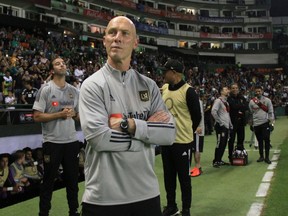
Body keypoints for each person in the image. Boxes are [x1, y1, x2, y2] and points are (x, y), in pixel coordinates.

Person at [79, 16, 176, 216]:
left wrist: (130, 125)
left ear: (135, 42)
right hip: (103, 199)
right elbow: (100, 138)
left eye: (125, 33)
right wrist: (147, 137)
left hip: (147, 196)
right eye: (112, 32)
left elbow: (168, 134)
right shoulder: (92, 85)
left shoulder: (148, 85)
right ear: (104, 40)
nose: (117, 38)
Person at [33, 56, 80, 216]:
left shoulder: (74, 91)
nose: (62, 65)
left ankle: (74, 211)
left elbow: (80, 117)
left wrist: (74, 115)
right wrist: (59, 115)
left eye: (64, 63)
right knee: (48, 181)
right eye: (58, 63)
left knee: (73, 180)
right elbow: (37, 116)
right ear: (52, 70)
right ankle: (44, 213)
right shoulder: (45, 89)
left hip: (71, 142)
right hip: (52, 142)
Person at [161, 59, 201, 216]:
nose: (163, 74)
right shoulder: (164, 88)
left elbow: (196, 116)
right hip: (166, 140)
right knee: (168, 176)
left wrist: (186, 130)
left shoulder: (188, 91)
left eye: (165, 71)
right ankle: (171, 205)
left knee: (184, 178)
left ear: (174, 73)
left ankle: (186, 209)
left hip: (182, 141)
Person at [249, 86, 274, 164]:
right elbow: (251, 113)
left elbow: (270, 112)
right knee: (259, 141)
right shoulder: (252, 102)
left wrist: (271, 123)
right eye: (256, 91)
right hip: (256, 124)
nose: (258, 93)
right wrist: (251, 124)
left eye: (259, 91)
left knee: (266, 140)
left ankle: (267, 157)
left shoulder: (267, 100)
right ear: (255, 92)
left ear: (262, 91)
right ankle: (261, 156)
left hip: (265, 123)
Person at [211, 86, 233, 168]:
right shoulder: (218, 101)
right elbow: (213, 111)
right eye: (226, 89)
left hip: (226, 126)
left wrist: (230, 124)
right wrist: (220, 122)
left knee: (223, 144)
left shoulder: (226, 103)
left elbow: (227, 114)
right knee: (220, 143)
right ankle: (215, 161)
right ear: (221, 92)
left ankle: (219, 160)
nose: (228, 91)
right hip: (221, 126)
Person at [227, 83, 248, 162]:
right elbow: (234, 107)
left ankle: (239, 155)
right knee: (231, 140)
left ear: (238, 89)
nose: (234, 89)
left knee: (241, 139)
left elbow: (246, 107)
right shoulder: (229, 98)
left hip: (241, 122)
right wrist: (240, 106)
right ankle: (230, 157)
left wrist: (238, 106)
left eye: (236, 88)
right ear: (230, 89)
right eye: (233, 88)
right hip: (232, 123)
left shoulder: (242, 97)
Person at [190, 97, 205, 177]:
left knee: (197, 149)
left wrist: (198, 126)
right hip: (194, 128)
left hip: (197, 129)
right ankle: (196, 167)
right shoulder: (196, 101)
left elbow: (199, 114)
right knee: (194, 149)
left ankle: (197, 167)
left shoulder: (196, 101)